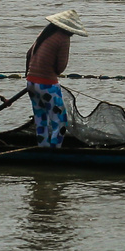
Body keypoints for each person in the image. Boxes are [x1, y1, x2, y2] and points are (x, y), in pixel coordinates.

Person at [24, 10, 87, 148]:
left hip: (31, 82)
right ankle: (54, 151)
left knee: (41, 120)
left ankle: (43, 148)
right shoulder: (63, 38)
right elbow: (60, 67)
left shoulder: (45, 34)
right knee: (60, 122)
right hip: (47, 85)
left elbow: (28, 54)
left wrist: (29, 74)